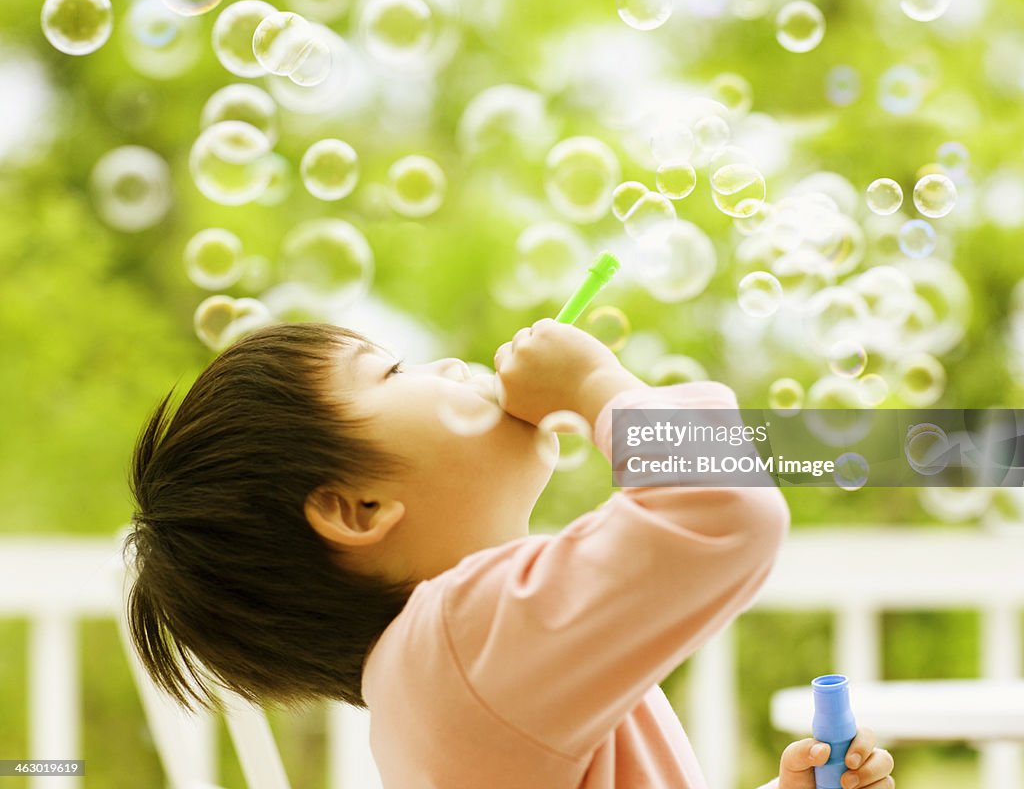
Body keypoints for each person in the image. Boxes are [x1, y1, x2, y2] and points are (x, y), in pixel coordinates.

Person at [125, 319, 895, 789]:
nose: (452, 368)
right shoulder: (460, 647)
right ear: (357, 509)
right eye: (393, 373)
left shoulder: (458, 670)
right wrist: (596, 383)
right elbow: (727, 512)